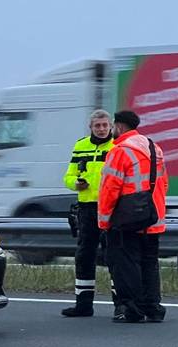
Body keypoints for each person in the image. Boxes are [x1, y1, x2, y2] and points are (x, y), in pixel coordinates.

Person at [98, 110, 168, 323]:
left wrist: (104, 220)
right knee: (149, 264)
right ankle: (153, 308)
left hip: (128, 220)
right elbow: (163, 183)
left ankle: (133, 309)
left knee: (127, 265)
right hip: (153, 217)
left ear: (119, 127)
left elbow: (109, 188)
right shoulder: (154, 148)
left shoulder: (120, 151)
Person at [60, 109, 115, 317]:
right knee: (84, 255)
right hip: (86, 208)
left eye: (104, 125)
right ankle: (83, 305)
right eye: (97, 126)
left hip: (110, 208)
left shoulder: (117, 146)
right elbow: (68, 176)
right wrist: (76, 184)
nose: (101, 129)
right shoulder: (80, 145)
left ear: (110, 126)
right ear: (90, 128)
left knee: (113, 255)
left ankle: (120, 304)